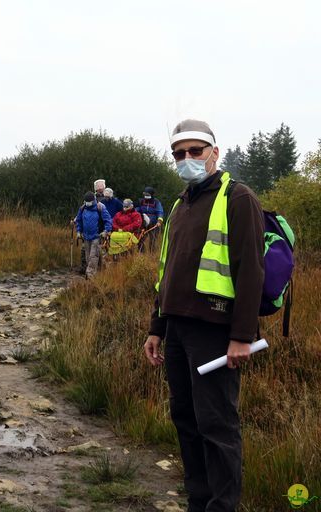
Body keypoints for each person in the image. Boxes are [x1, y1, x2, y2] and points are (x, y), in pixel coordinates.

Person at [143, 120, 264, 511]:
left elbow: (251, 272)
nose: (187, 159)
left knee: (217, 425)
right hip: (176, 329)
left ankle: (222, 505)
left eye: (195, 151)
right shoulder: (180, 204)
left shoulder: (238, 198)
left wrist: (243, 336)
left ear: (215, 152)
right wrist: (156, 328)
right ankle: (199, 499)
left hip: (215, 331)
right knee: (185, 418)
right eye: (179, 154)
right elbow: (166, 271)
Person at [75, 191, 112, 278]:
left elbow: (108, 220)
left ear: (93, 200)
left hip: (97, 236)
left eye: (89, 201)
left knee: (93, 256)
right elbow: (79, 220)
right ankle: (98, 272)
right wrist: (78, 231)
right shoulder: (82, 208)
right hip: (86, 236)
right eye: (86, 201)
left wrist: (106, 231)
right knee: (88, 257)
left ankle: (90, 275)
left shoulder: (100, 207)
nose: (87, 203)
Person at [136, 186, 164, 250]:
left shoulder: (156, 202)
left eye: (147, 194)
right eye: (145, 194)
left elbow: (160, 211)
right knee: (140, 238)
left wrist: (159, 220)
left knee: (153, 240)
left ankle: (152, 254)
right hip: (144, 223)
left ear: (151, 194)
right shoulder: (142, 201)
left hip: (153, 224)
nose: (146, 196)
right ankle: (141, 253)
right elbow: (138, 209)